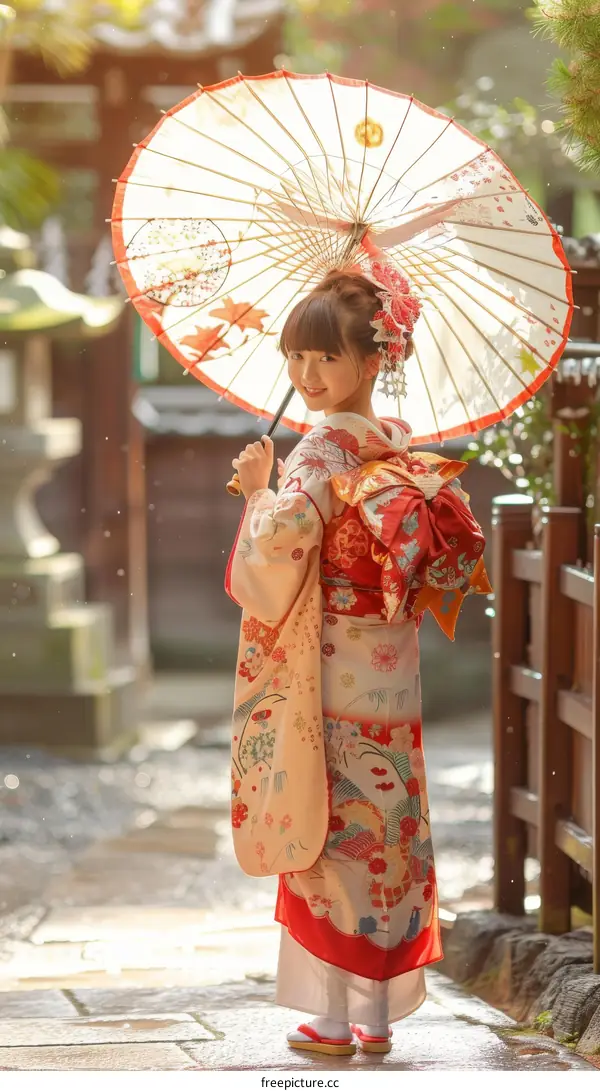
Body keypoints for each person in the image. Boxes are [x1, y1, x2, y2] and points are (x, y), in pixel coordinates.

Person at [225, 263, 490, 1056]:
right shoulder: (395, 444)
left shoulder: (317, 450)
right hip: (391, 665)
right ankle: (376, 1017)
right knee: (392, 824)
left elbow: (281, 547)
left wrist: (255, 491)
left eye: (326, 359)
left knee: (332, 824)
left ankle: (335, 1021)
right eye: (296, 359)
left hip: (330, 663)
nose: (308, 376)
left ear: (373, 360)